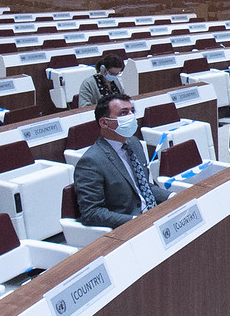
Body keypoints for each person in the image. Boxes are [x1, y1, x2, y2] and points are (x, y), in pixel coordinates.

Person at [72, 94, 168, 229]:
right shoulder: (91, 161)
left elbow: (144, 186)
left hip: (153, 216)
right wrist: (136, 221)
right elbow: (91, 213)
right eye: (124, 113)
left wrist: (172, 196)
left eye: (132, 111)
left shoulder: (134, 143)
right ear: (104, 123)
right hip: (128, 226)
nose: (131, 116)